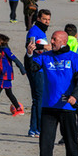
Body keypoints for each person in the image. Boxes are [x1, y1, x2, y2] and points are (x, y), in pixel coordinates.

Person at [27, 30, 78, 156]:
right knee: (46, 139)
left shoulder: (74, 57)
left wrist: (74, 96)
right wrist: (29, 54)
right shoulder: (45, 56)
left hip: (67, 106)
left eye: (54, 39)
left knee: (70, 139)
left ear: (63, 42)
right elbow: (32, 68)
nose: (51, 42)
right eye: (51, 39)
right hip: (48, 105)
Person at [24, 9, 51, 137]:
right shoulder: (34, 30)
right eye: (44, 19)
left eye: (48, 20)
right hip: (35, 67)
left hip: (40, 67)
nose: (47, 22)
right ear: (39, 18)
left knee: (38, 98)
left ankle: (34, 129)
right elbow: (29, 44)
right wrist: (44, 47)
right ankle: (37, 129)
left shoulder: (41, 31)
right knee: (39, 98)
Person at [0, 32, 26, 116]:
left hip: (6, 75)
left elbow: (15, 59)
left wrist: (22, 70)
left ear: (2, 40)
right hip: (1, 75)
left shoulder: (5, 50)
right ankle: (19, 109)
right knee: (9, 93)